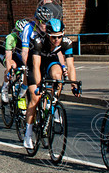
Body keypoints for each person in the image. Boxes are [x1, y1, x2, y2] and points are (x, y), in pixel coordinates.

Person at [24, 17, 81, 150]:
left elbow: (71, 66)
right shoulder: (38, 41)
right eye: (53, 37)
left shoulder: (66, 42)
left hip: (50, 60)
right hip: (35, 65)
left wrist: (74, 85)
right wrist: (38, 86)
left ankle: (53, 102)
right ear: (47, 35)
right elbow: (36, 66)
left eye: (59, 36)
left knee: (57, 75)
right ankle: (28, 133)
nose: (56, 40)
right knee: (35, 98)